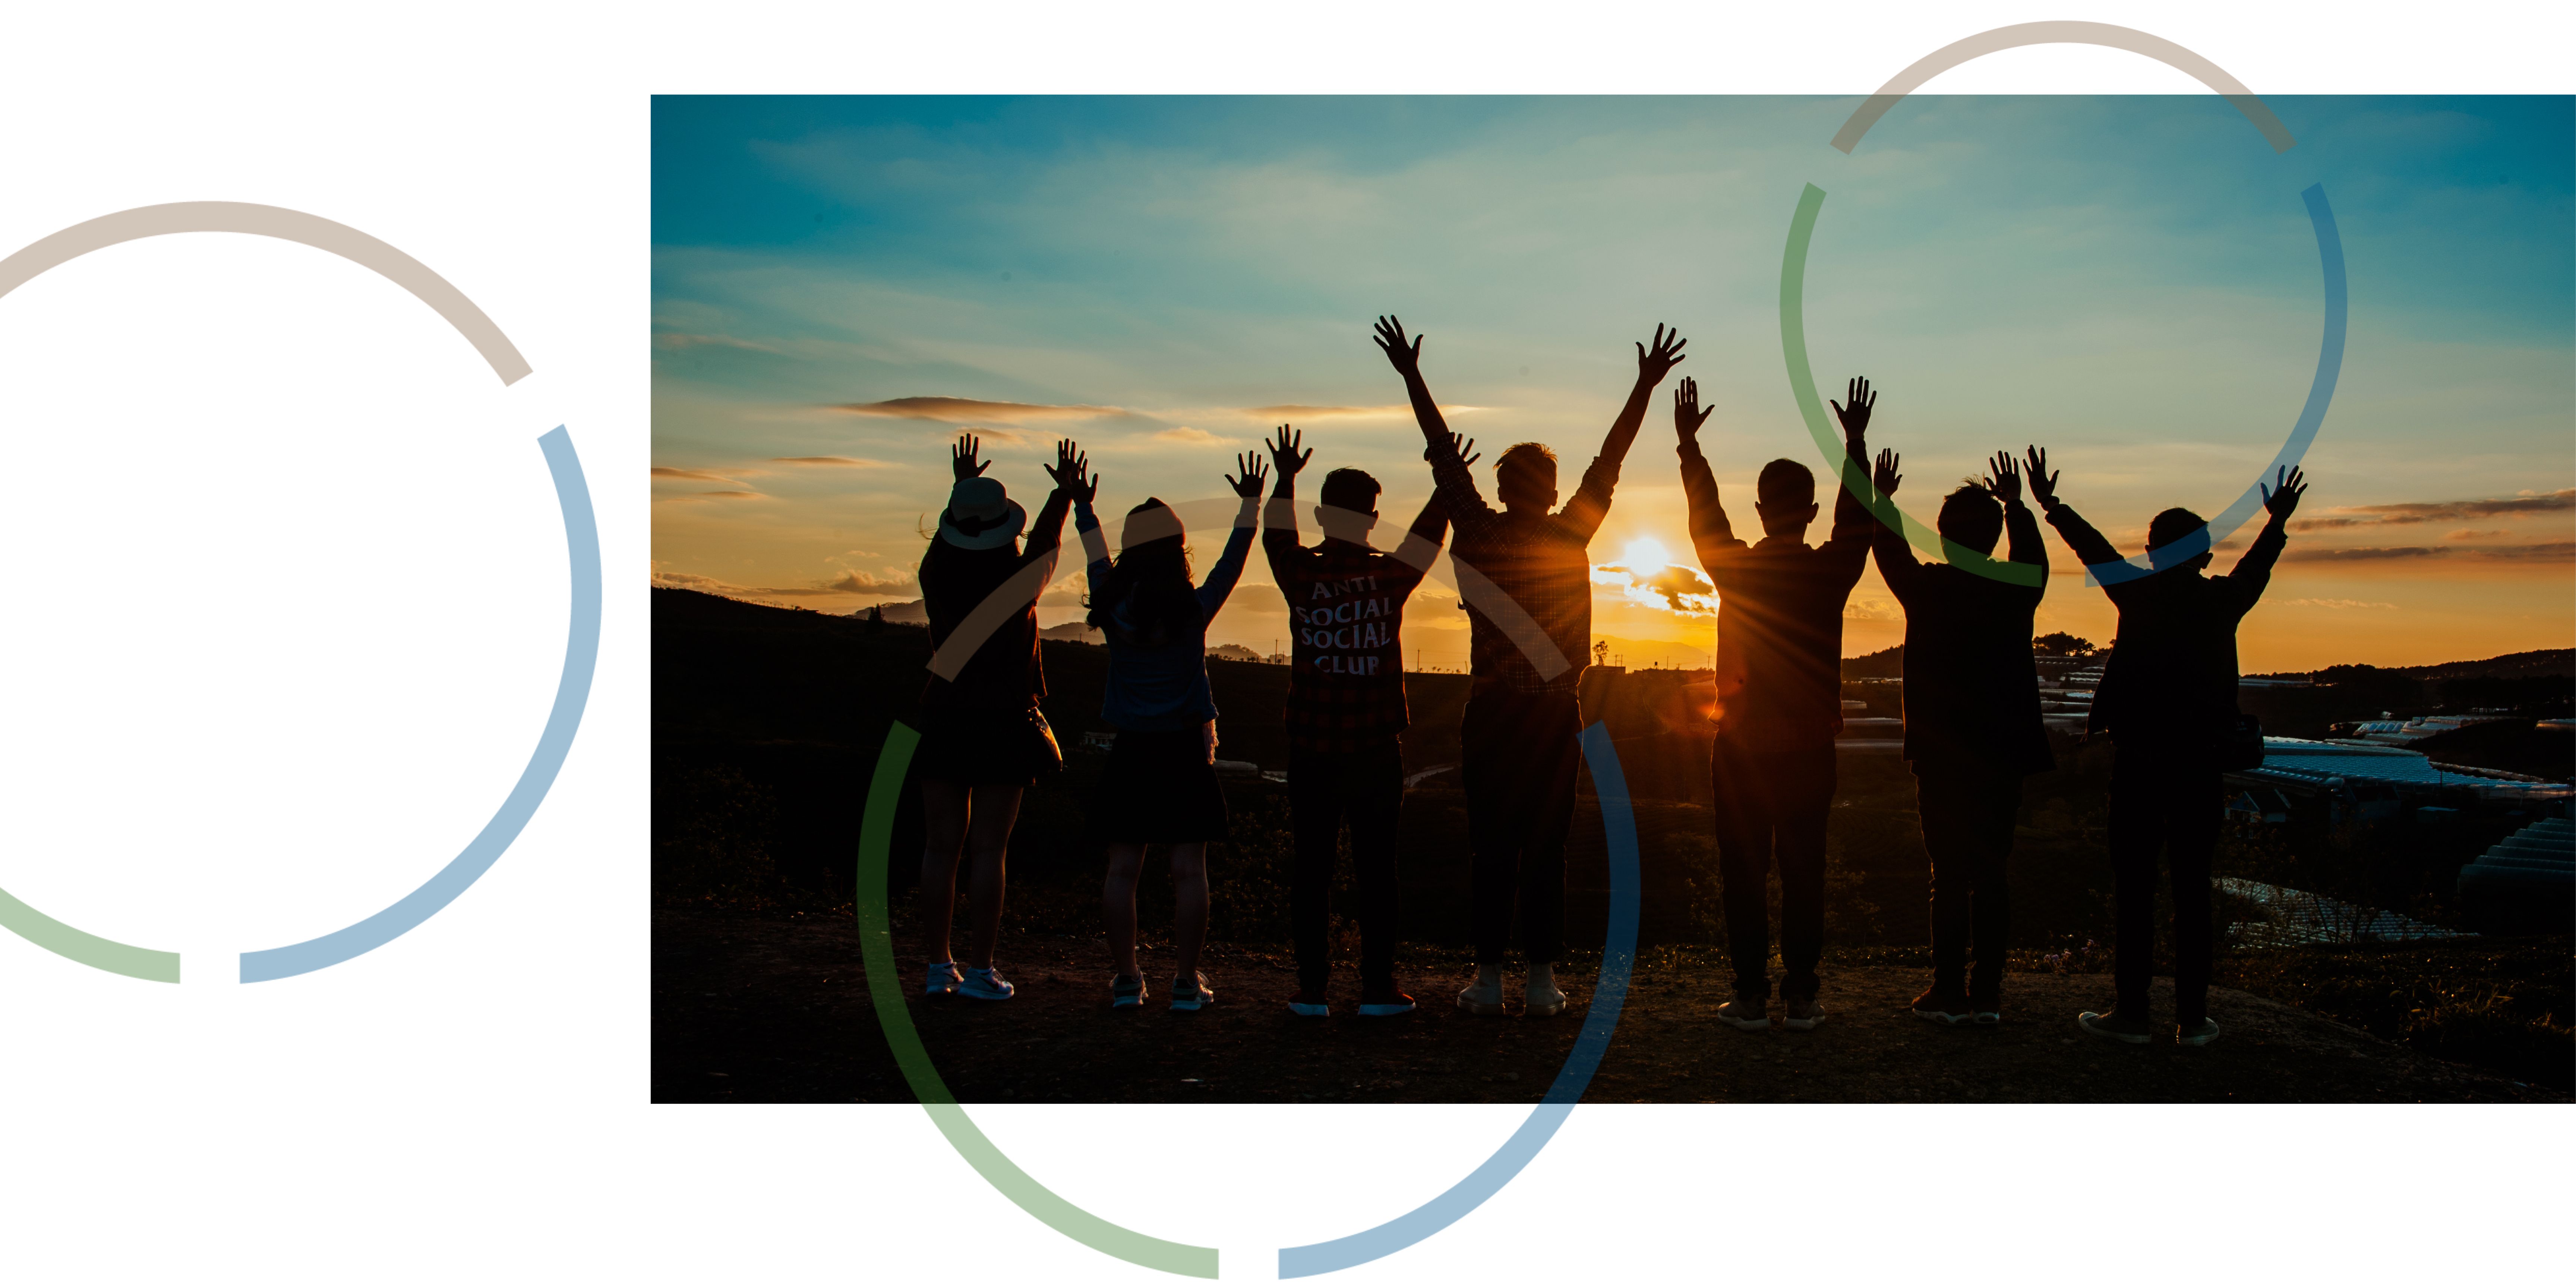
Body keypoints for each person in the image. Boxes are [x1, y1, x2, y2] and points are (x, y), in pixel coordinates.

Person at [1374, 314, 1686, 1018]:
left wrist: (1411, 375)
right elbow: (1611, 460)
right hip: (1552, 712)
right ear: (1549, 490)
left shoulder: (1478, 531)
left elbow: (1441, 455)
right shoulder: (1570, 531)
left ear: (1504, 486)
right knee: (1547, 845)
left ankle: (1487, 979)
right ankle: (1542, 979)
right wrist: (1643, 385)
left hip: (1492, 713)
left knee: (1492, 845)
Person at [2033, 450, 2306, 1048]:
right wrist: (2276, 521)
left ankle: (2131, 1013)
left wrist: (2053, 506)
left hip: (2137, 764)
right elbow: (2257, 566)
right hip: (2200, 766)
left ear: (2152, 553)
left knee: (2134, 888)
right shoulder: (2220, 603)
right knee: (2193, 889)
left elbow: (2095, 550)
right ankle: (2193, 1018)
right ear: (2206, 556)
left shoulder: (2139, 596)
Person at [1676, 374, 1872, 1032]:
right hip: (1812, 746)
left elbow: (1707, 519)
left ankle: (1752, 996)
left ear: (1760, 510)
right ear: (1809, 510)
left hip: (1740, 747)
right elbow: (1856, 524)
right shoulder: (1830, 572)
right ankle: (1804, 997)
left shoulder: (1736, 569)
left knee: (1744, 873)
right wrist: (1856, 445)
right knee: (1805, 871)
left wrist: (1689, 450)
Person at [1259, 423, 1451, 1019]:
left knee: (1312, 870)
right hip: (1373, 749)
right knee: (1377, 871)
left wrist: (1285, 478)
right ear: (1371, 520)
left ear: (1322, 514)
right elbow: (1425, 539)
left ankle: (1311, 989)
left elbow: (1276, 535)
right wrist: (1445, 485)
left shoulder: (1301, 575)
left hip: (1312, 748)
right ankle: (1377, 987)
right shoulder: (1389, 577)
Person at [1868, 446, 2052, 1026]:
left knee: (1946, 874)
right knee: (1991, 870)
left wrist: (1883, 500)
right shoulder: (2015, 589)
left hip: (1943, 755)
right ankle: (1988, 994)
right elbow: (2035, 561)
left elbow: (1888, 551)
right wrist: (2018, 506)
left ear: (1943, 539)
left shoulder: (1928, 590)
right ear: (1994, 539)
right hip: (2002, 754)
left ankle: (1947, 991)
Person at [1078, 457, 1264, 1012]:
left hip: (1131, 747)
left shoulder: (1111, 605)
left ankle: (1127, 981)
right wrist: (1251, 503)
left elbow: (1094, 554)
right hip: (1185, 750)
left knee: (1122, 869)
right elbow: (1233, 561)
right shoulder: (1193, 609)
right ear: (1178, 548)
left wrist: (1083, 503)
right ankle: (1186, 981)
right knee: (1189, 872)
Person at [912, 435, 1089, 1002]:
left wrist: (961, 487)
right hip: (1005, 719)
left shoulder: (935, 575)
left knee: (941, 847)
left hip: (943, 712)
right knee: (990, 849)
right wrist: (1063, 493)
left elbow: (951, 540)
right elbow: (1046, 541)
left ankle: (938, 967)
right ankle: (982, 967)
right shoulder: (1020, 582)